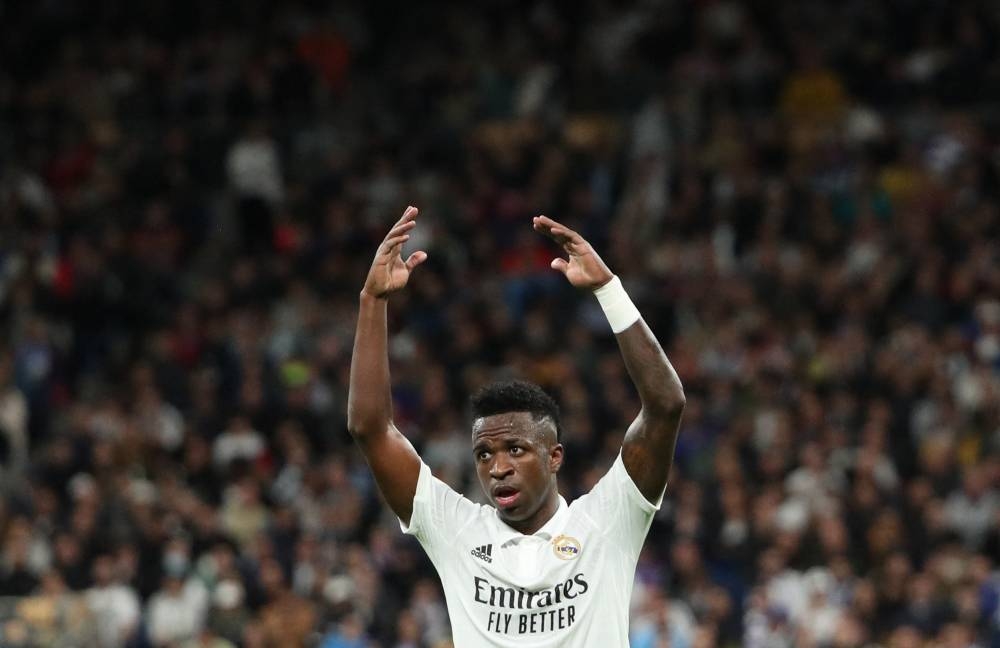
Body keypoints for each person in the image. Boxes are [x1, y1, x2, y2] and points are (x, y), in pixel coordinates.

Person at [348, 206, 685, 646]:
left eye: (516, 449)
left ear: (554, 456)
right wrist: (372, 302)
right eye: (484, 454)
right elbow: (370, 428)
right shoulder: (457, 532)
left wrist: (608, 290)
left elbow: (665, 406)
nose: (497, 467)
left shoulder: (606, 521)